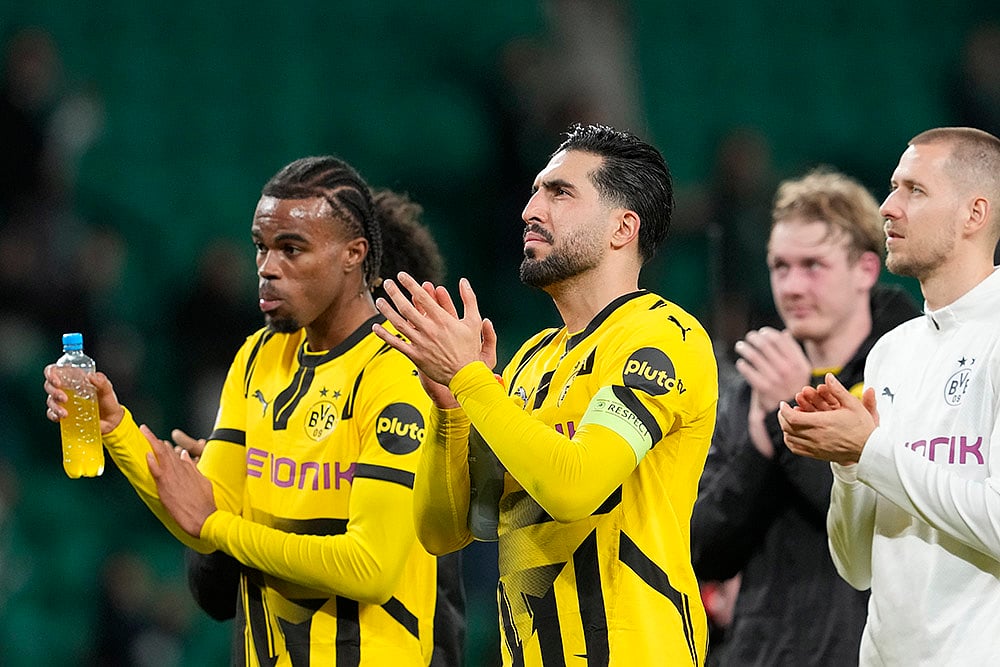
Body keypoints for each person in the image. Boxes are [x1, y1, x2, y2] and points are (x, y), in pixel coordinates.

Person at [44, 156, 457, 665]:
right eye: (261, 248)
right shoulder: (258, 355)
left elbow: (368, 567)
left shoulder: (396, 369)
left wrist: (220, 526)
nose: (266, 268)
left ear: (354, 254)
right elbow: (198, 511)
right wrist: (117, 429)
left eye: (291, 249)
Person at [373, 123, 719, 665]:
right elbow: (451, 529)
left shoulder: (662, 336)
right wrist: (452, 411)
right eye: (535, 191)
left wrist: (472, 381)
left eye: (560, 192)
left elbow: (575, 487)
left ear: (622, 228)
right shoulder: (532, 359)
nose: (531, 210)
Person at [177, 185, 464, 666]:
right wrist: (230, 492)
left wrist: (223, 517)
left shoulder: (415, 426)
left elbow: (436, 622)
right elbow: (215, 595)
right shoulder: (266, 409)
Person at [778, 127, 1000, 665]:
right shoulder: (891, 352)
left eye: (914, 191)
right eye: (893, 187)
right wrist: (848, 464)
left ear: (974, 214)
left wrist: (871, 450)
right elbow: (857, 567)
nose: (887, 207)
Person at [690, 168, 920, 665]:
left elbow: (886, 520)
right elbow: (704, 548)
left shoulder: (912, 370)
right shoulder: (748, 379)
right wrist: (757, 449)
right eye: (780, 267)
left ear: (865, 269)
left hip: (866, 647)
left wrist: (783, 415)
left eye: (813, 265)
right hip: (756, 650)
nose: (792, 286)